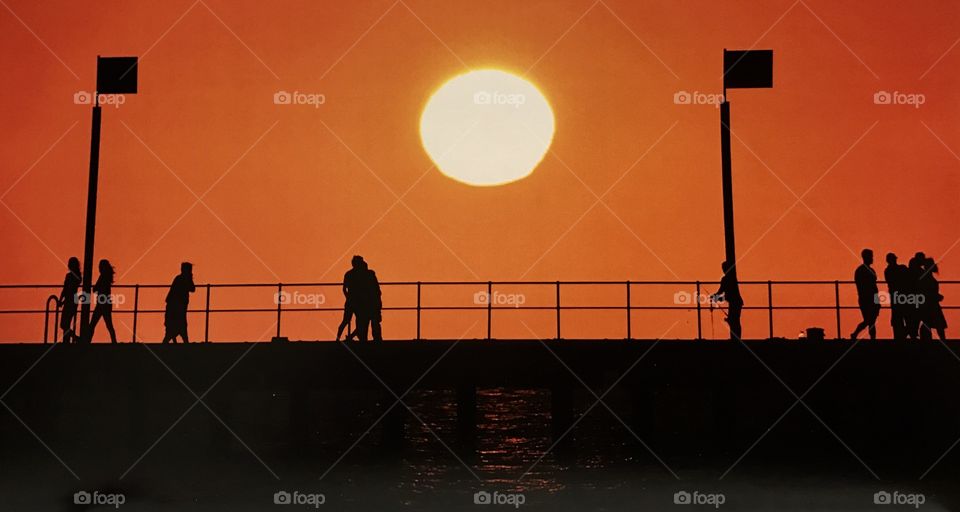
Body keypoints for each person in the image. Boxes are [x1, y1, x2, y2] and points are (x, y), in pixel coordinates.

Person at [162, 262, 195, 343]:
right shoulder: (182, 279)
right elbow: (192, 288)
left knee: (172, 332)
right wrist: (190, 278)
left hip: (175, 308)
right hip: (178, 309)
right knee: (180, 329)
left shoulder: (178, 278)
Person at [86, 259, 118, 343]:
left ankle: (87, 341)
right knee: (109, 325)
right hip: (107, 303)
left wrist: (94, 288)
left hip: (101, 304)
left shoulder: (102, 276)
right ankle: (114, 342)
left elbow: (95, 288)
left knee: (92, 324)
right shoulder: (107, 277)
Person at [851, 249, 879, 340]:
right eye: (871, 256)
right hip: (866, 298)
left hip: (869, 298)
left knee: (871, 321)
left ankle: (871, 337)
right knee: (869, 320)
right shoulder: (862, 270)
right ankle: (856, 334)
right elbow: (869, 286)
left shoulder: (863, 270)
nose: (872, 258)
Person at [336, 256, 367, 341]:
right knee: (361, 322)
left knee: (345, 321)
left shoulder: (348, 274)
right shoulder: (362, 275)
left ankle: (338, 339)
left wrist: (348, 298)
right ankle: (350, 337)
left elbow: (344, 289)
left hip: (350, 301)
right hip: (359, 302)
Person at [711, 260, 743, 340]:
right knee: (735, 320)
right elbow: (726, 295)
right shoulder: (732, 278)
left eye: (724, 268)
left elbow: (721, 291)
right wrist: (717, 297)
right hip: (736, 302)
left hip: (734, 302)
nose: (723, 270)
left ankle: (735, 338)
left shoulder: (725, 279)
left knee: (733, 320)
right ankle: (737, 338)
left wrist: (715, 297)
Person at [353, 258, 383, 342]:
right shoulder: (370, 274)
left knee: (364, 325)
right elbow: (377, 290)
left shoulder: (357, 276)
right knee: (374, 324)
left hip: (365, 304)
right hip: (372, 303)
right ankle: (376, 342)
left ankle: (365, 342)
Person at [919, 257, 947, 341]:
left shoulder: (925, 277)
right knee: (938, 324)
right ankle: (943, 342)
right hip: (931, 304)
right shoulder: (927, 278)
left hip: (929, 304)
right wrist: (936, 296)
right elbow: (927, 292)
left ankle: (929, 342)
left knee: (929, 324)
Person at [884, 253, 909, 340]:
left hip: (895, 296)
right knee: (904, 316)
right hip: (902, 296)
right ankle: (903, 335)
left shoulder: (888, 271)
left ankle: (899, 337)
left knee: (897, 317)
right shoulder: (902, 268)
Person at [58, 257, 82, 343]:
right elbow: (68, 290)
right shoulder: (78, 276)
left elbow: (65, 290)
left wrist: (61, 300)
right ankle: (67, 340)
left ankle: (74, 338)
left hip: (69, 301)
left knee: (64, 324)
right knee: (66, 323)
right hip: (73, 300)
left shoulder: (70, 276)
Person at [905, 253, 926, 340]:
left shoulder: (911, 268)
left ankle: (911, 333)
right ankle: (912, 333)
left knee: (912, 316)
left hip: (910, 296)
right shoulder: (919, 270)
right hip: (916, 296)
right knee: (916, 316)